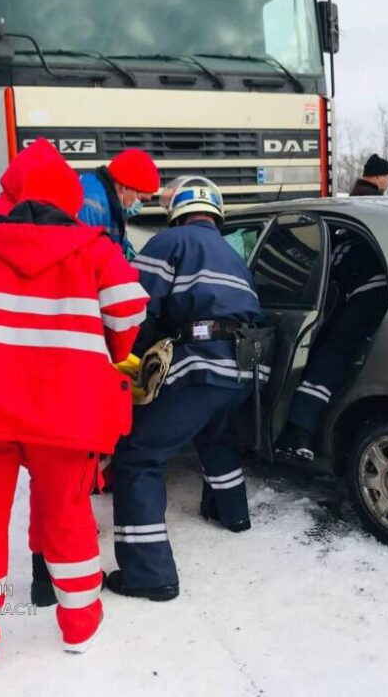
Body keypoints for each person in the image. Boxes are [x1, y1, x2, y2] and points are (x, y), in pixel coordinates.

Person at [0, 138, 148, 678]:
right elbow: (128, 317)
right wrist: (108, 349)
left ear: (9, 192)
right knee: (68, 518)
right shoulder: (94, 246)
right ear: (67, 196)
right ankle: (79, 626)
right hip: (65, 413)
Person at [106, 176, 264, 602]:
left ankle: (149, 574)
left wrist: (125, 354)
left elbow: (136, 307)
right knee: (215, 434)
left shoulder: (170, 242)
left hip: (200, 361)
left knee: (139, 454)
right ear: (216, 212)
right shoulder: (234, 255)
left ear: (176, 211)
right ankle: (232, 514)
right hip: (244, 368)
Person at [274, 227, 388, 460]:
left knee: (332, 354)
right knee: (336, 352)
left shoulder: (345, 244)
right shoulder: (374, 240)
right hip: (378, 297)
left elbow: (323, 274)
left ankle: (299, 433)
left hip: (365, 296)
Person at [78, 148, 160, 260]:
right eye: (142, 199)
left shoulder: (111, 202)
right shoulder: (93, 204)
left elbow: (115, 239)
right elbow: (84, 254)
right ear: (124, 187)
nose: (140, 205)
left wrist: (130, 254)